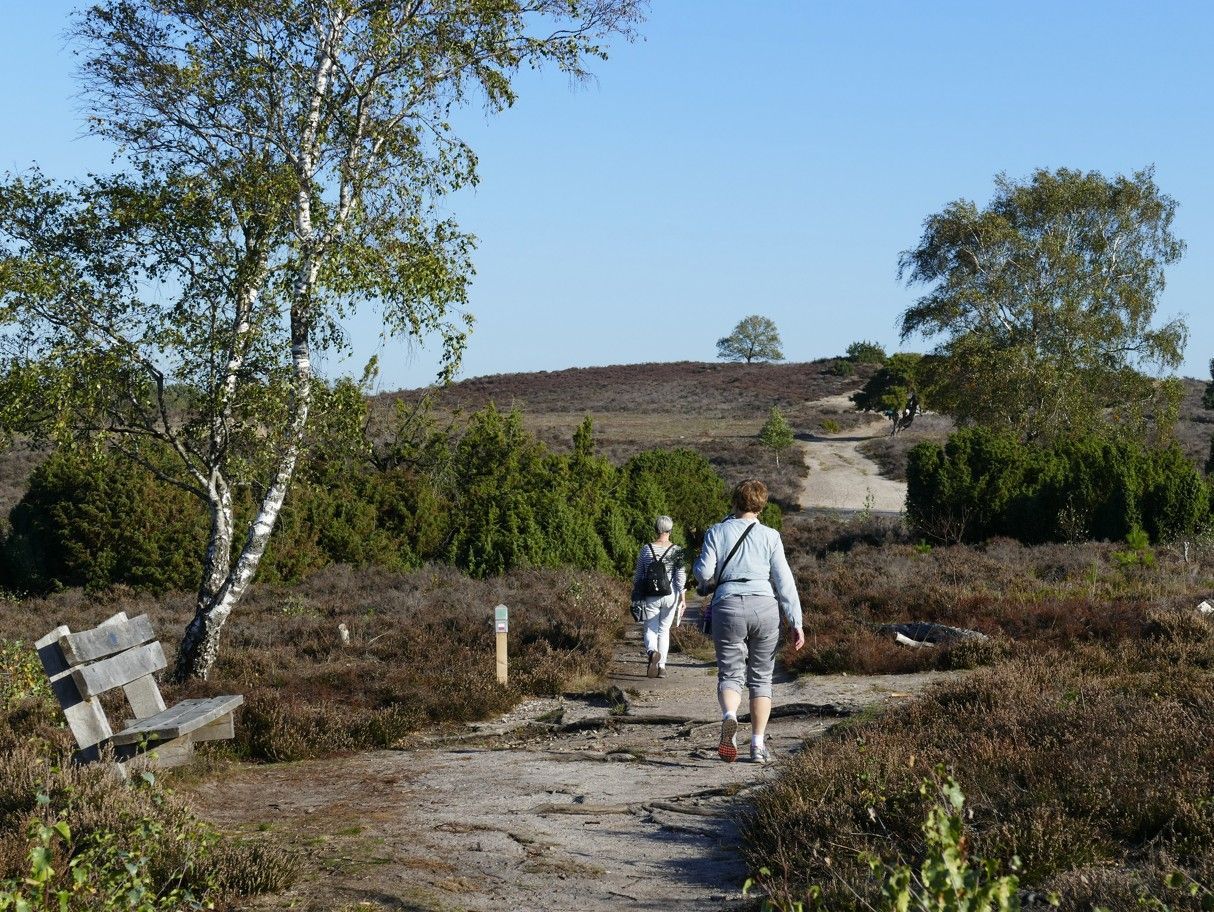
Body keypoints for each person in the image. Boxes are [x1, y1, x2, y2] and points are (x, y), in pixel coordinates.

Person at [693, 479, 805, 763]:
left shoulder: (717, 531)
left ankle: (730, 716)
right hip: (764, 605)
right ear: (762, 504)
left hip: (727, 605)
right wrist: (796, 621)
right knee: (761, 678)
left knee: (730, 673)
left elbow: (703, 572)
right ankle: (757, 745)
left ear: (734, 500)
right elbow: (784, 581)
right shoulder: (771, 536)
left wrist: (708, 576)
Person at [631, 515, 687, 679]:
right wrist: (682, 598)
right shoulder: (677, 551)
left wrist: (636, 594)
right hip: (670, 595)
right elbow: (680, 578)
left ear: (656, 529)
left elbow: (639, 576)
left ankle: (651, 652)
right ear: (670, 530)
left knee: (650, 628)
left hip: (650, 595)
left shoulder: (646, 549)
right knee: (664, 631)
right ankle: (661, 667)